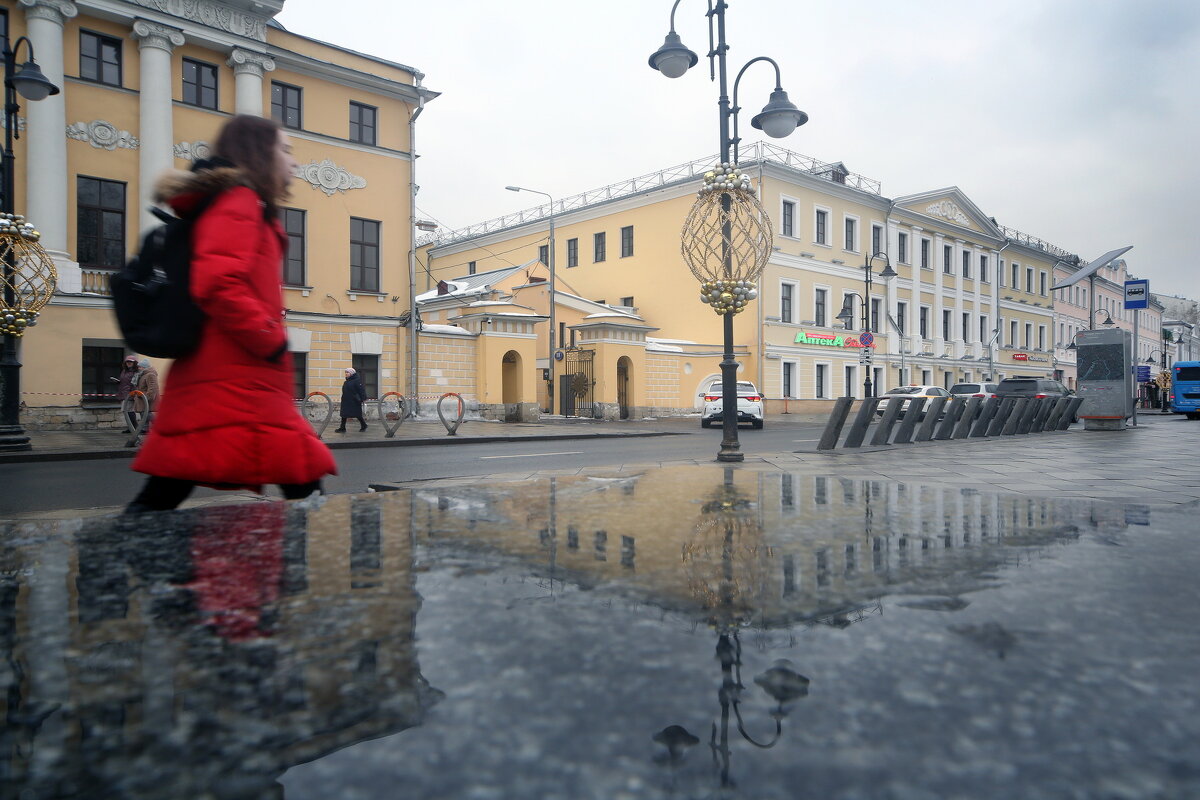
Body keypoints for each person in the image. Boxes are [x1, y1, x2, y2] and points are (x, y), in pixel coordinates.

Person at [125, 115, 336, 513]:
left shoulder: (239, 202)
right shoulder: (239, 201)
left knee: (173, 479)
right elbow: (218, 282)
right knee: (300, 475)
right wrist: (270, 337)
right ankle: (309, 562)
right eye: (285, 149)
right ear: (261, 153)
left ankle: (118, 563)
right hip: (237, 370)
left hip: (231, 373)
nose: (293, 161)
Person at [111, 355, 140, 430]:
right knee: (126, 411)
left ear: (134, 363)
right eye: (127, 361)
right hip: (123, 392)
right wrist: (118, 382)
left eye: (130, 362)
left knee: (129, 411)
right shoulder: (124, 371)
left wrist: (132, 394)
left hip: (130, 394)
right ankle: (131, 427)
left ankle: (134, 427)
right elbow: (124, 381)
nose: (129, 363)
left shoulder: (135, 372)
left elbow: (135, 383)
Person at [336, 367, 368, 432]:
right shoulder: (346, 382)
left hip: (354, 401)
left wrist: (363, 398)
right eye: (346, 372)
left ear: (352, 373)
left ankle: (363, 425)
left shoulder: (357, 381)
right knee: (344, 414)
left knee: (357, 414)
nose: (346, 374)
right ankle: (342, 428)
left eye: (347, 372)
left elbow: (361, 390)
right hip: (346, 400)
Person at [133, 358, 160, 430]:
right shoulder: (142, 374)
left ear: (144, 367)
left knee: (146, 414)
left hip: (146, 398)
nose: (138, 368)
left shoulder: (150, 374)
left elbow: (152, 387)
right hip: (141, 397)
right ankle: (145, 429)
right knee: (143, 413)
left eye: (140, 367)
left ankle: (160, 425)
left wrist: (147, 397)